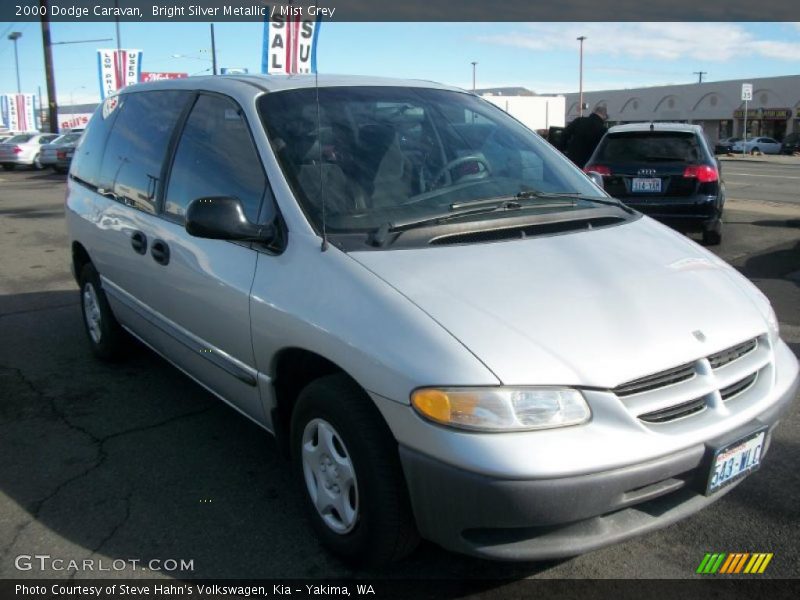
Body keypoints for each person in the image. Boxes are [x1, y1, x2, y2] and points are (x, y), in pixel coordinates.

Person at [561, 104, 608, 168]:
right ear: (604, 116)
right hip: (590, 163)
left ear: (593, 112)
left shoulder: (579, 121)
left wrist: (562, 149)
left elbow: (564, 134)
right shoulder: (603, 129)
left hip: (572, 160)